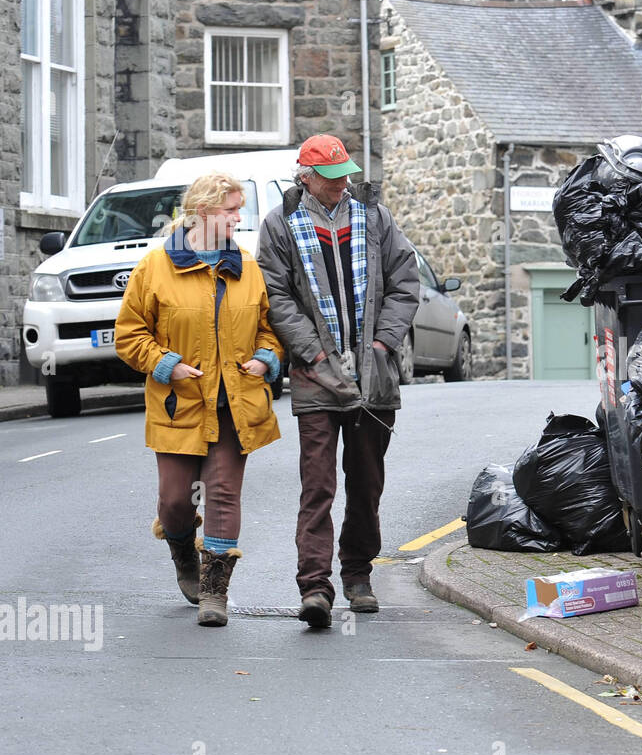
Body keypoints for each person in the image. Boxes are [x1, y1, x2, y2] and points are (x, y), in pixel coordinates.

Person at [257, 135, 418, 629]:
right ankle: (315, 587)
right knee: (318, 486)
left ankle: (357, 575)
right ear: (306, 178)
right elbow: (276, 295)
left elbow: (405, 281)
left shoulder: (375, 217)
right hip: (314, 376)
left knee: (366, 483)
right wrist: (313, 352)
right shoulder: (280, 224)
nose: (342, 182)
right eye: (331, 176)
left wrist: (382, 346)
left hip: (374, 375)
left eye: (345, 172)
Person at [115, 172, 283, 627]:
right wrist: (166, 364)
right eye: (231, 210)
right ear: (205, 212)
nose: (238, 217)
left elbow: (268, 325)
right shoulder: (156, 267)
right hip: (180, 404)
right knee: (175, 502)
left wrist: (267, 358)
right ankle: (184, 554)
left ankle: (215, 592)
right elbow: (129, 335)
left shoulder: (246, 265)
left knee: (223, 494)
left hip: (235, 404)